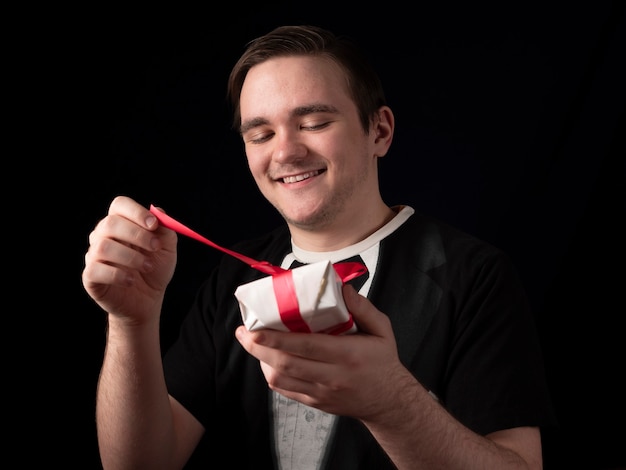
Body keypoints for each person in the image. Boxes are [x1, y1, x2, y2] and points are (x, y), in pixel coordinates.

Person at [83, 25, 556, 469]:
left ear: (380, 132)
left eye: (312, 122)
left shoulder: (474, 276)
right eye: (261, 134)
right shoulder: (229, 283)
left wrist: (392, 405)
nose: (285, 152)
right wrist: (131, 321)